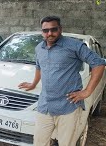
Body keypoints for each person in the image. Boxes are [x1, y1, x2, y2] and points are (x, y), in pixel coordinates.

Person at [18, 16, 105, 146]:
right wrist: (34, 83)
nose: (50, 33)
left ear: (60, 29)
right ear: (42, 31)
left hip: (68, 106)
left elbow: (98, 64)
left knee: (66, 143)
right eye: (45, 30)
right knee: (39, 142)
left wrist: (87, 91)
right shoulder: (39, 48)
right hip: (45, 105)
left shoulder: (74, 46)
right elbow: (39, 67)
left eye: (54, 29)